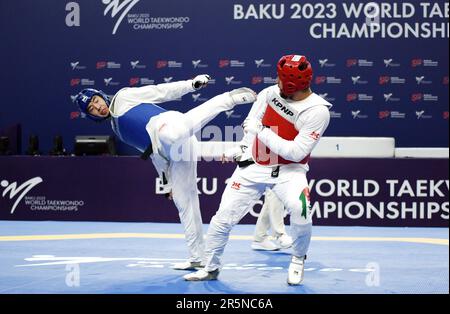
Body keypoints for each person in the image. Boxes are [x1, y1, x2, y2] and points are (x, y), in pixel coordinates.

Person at [74, 75, 257, 270]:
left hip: (169, 124)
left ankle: (229, 99)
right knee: (183, 200)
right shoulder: (117, 130)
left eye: (96, 100)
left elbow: (161, 91)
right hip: (172, 151)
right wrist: (168, 183)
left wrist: (190, 84)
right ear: (92, 116)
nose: (97, 107)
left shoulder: (122, 97)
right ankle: (198, 257)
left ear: (101, 95)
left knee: (171, 133)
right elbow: (154, 154)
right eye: (92, 109)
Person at [184, 55, 332, 285]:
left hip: (289, 170)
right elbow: (250, 125)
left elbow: (295, 152)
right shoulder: (269, 94)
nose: (277, 81)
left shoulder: (318, 111)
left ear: (292, 84)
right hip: (253, 164)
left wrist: (261, 131)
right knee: (222, 219)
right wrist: (242, 147)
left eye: (281, 79)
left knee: (301, 210)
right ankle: (210, 267)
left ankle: (298, 258)